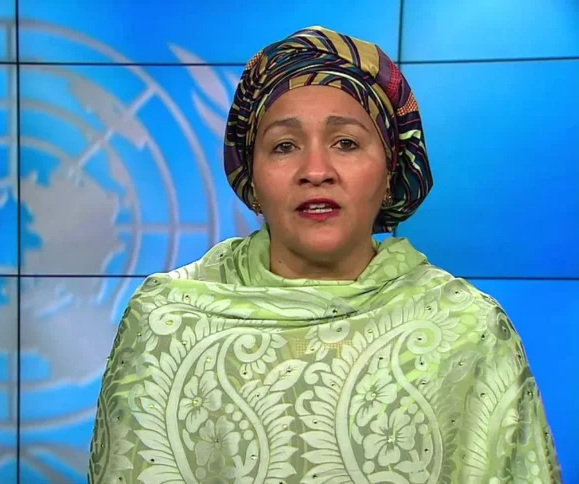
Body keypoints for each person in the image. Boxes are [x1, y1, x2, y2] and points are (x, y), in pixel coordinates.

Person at [88, 26, 562, 483]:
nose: (315, 170)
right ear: (251, 179)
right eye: (284, 146)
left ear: (391, 170)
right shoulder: (167, 320)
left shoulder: (466, 330)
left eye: (346, 143)